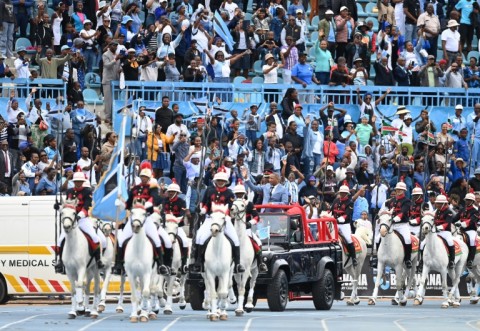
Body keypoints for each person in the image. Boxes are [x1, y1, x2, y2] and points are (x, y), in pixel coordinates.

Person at [112, 162, 172, 276]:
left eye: (146, 177)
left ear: (149, 178)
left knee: (156, 240)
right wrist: (121, 204)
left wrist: (146, 205)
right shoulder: (135, 189)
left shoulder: (152, 188)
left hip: (146, 218)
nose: (144, 179)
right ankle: (119, 264)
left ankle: (161, 265)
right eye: (142, 177)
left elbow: (154, 199)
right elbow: (129, 203)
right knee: (122, 239)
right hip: (133, 218)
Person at [193, 167, 245, 274]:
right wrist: (203, 210)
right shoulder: (210, 190)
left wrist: (226, 215)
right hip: (211, 218)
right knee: (200, 237)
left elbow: (230, 207)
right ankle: (198, 261)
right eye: (219, 180)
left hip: (224, 218)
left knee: (235, 239)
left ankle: (238, 264)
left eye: (222, 181)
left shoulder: (229, 193)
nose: (220, 182)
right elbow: (207, 204)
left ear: (225, 182)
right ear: (215, 181)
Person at [54, 171, 105, 274]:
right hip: (70, 220)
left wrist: (79, 215)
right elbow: (66, 207)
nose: (78, 183)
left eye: (80, 181)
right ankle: (60, 262)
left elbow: (87, 206)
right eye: (76, 181)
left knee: (95, 238)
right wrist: (59, 208)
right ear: (74, 182)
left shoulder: (87, 191)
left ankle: (98, 260)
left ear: (83, 182)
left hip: (82, 220)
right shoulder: (69, 191)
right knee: (60, 240)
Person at [232, 181, 268, 272]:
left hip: (246, 228)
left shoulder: (249, 204)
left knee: (258, 242)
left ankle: (260, 263)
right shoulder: (232, 204)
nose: (239, 195)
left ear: (244, 194)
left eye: (241, 194)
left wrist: (250, 223)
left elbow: (256, 217)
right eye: (237, 194)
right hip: (233, 228)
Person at [162, 181, 189, 274]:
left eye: (173, 191)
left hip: (177, 226)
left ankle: (184, 264)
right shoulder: (164, 200)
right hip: (165, 226)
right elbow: (161, 213)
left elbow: (182, 214)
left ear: (177, 193)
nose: (170, 193)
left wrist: (174, 219)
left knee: (185, 241)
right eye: (169, 191)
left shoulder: (181, 202)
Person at [385, 181, 413, 268]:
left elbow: (403, 211)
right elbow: (387, 209)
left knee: (407, 239)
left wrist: (396, 218)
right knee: (379, 237)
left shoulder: (407, 201)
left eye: (401, 189)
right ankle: (378, 257)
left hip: (402, 225)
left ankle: (407, 259)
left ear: (404, 190)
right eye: (397, 189)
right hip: (392, 225)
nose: (398, 191)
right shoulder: (392, 200)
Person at [331, 183, 357, 266]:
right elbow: (331, 211)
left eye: (343, 193)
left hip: (344, 224)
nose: (341, 194)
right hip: (334, 223)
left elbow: (347, 214)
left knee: (348, 239)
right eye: (340, 192)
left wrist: (339, 219)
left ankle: (354, 258)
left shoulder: (350, 203)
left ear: (347, 194)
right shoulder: (336, 200)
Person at [453, 190, 478, 269]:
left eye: (469, 200)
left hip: (471, 230)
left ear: (472, 201)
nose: (467, 201)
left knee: (472, 240)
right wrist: (449, 221)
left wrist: (462, 224)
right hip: (461, 230)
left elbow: (472, 221)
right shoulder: (462, 209)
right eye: (466, 200)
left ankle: (470, 260)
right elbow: (455, 218)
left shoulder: (475, 211)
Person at [433, 194, 456, 269]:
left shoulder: (448, 212)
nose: (437, 205)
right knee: (423, 243)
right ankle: (421, 262)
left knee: (450, 242)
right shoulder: (436, 211)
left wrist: (438, 227)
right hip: (436, 232)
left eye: (439, 203)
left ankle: (452, 261)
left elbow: (447, 223)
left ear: (444, 204)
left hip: (445, 232)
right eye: (437, 203)